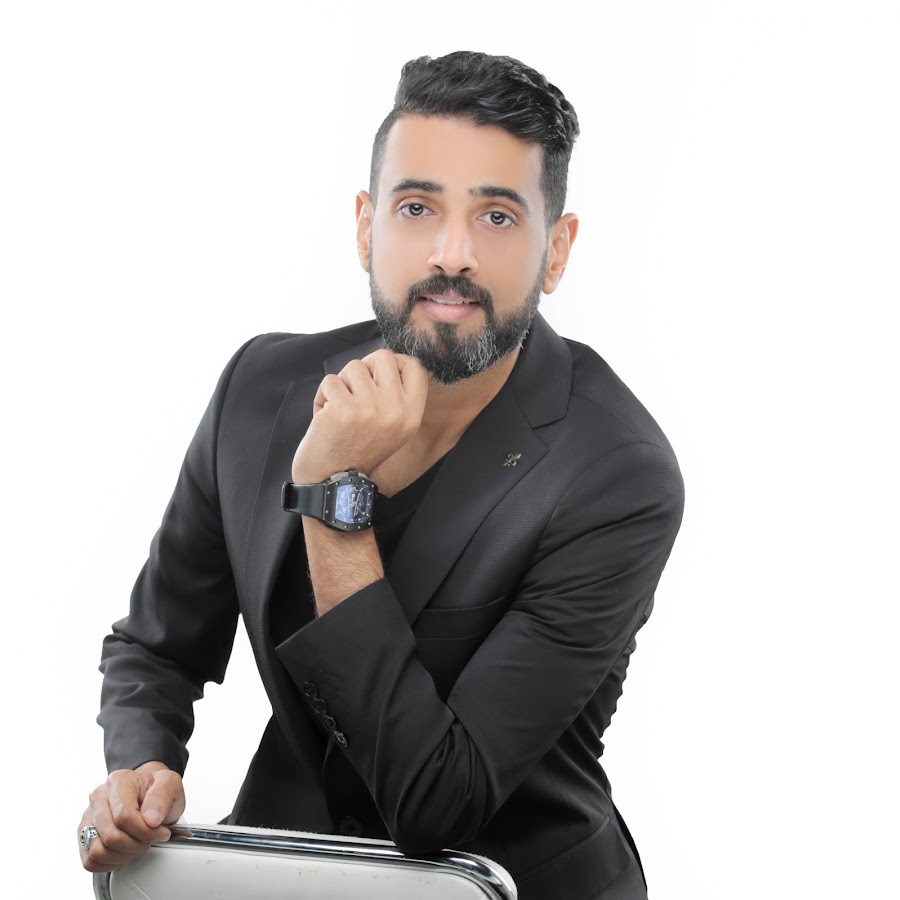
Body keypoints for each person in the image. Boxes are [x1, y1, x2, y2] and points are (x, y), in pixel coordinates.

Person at [78, 50, 685, 900]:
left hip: (503, 883)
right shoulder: (260, 389)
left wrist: (335, 499)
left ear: (556, 250)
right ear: (367, 228)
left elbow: (439, 803)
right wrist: (140, 765)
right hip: (286, 871)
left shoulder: (618, 474)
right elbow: (157, 644)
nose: (452, 253)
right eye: (416, 207)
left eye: (497, 216)